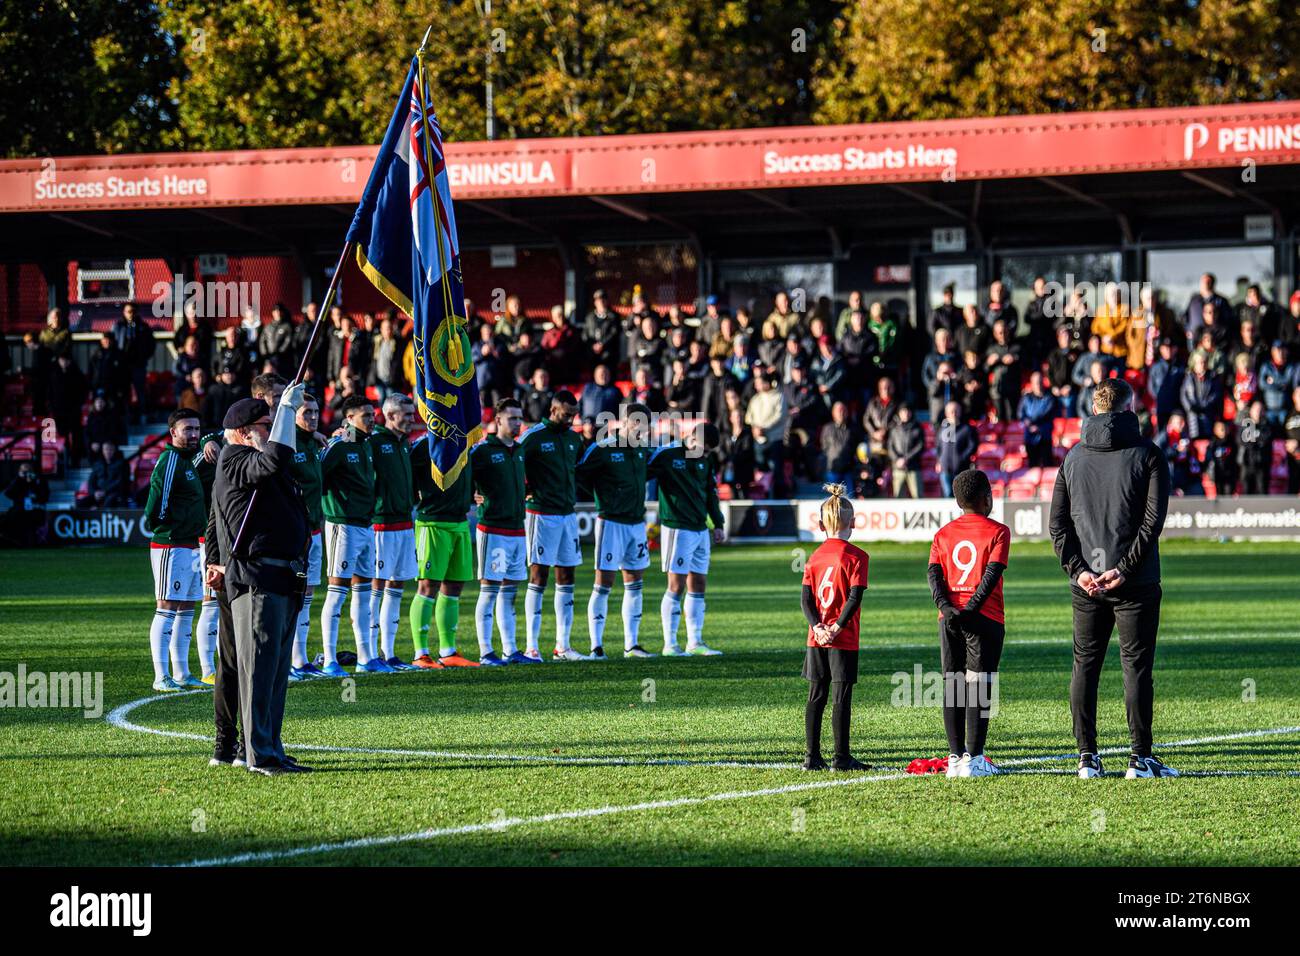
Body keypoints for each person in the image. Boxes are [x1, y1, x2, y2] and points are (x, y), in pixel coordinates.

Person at [1049, 378, 1177, 779]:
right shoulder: (1149, 454)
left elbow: (1056, 526)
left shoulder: (1072, 457)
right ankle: (1140, 759)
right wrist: (1123, 569)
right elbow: (1152, 523)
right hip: (1134, 583)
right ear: (1127, 407)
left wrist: (1081, 571)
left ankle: (1087, 757)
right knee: (1135, 668)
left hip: (1087, 584)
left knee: (1084, 667)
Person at [207, 388, 312, 775]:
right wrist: (285, 409)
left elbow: (279, 463)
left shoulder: (252, 458)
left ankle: (270, 747)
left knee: (275, 673)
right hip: (257, 578)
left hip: (282, 575)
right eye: (264, 426)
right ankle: (259, 754)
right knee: (258, 671)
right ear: (242, 432)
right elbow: (274, 459)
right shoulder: (235, 460)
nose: (270, 431)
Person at [927, 469, 1009, 778]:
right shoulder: (998, 531)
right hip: (984, 617)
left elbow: (934, 575)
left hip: (948, 618)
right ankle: (974, 759)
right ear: (987, 498)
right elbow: (992, 574)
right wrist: (972, 608)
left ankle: (954, 759)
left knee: (953, 683)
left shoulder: (943, 534)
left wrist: (947, 607)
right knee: (979, 685)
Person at [799, 483, 870, 773]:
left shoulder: (814, 557)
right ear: (852, 523)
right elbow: (855, 597)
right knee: (841, 697)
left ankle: (811, 757)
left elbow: (805, 600)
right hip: (844, 637)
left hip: (816, 638)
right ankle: (841, 757)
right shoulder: (858, 556)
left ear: (820, 524)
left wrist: (818, 627)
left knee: (816, 695)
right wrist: (838, 627)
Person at [577, 403, 654, 659]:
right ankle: (596, 647)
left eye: (646, 424)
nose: (642, 429)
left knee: (635, 581)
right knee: (604, 582)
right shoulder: (603, 448)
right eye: (638, 423)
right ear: (625, 422)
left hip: (636, 523)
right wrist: (605, 497)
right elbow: (580, 475)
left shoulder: (642, 450)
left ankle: (631, 645)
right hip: (611, 522)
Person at [142, 408, 207, 692]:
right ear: (173, 433)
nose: (193, 434)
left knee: (186, 608)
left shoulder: (187, 461)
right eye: (187, 429)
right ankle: (161, 676)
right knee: (166, 606)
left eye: (196, 428)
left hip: (191, 543)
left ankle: (182, 673)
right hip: (171, 543)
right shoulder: (170, 460)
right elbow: (156, 503)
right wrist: (169, 526)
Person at [318, 395, 384, 676]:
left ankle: (366, 657)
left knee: (363, 592)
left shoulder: (366, 445)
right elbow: (315, 477)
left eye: (372, 414)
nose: (372, 419)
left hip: (366, 526)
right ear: (349, 419)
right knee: (337, 591)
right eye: (365, 416)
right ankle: (330, 659)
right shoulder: (338, 447)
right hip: (342, 526)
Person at [519, 391, 586, 661]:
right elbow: (513, 463)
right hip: (541, 514)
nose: (570, 420)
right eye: (566, 414)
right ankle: (531, 646)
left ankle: (563, 645)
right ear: (553, 409)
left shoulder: (573, 438)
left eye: (574, 415)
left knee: (567, 577)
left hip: (567, 515)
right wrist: (523, 490)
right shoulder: (533, 436)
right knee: (538, 576)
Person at [648, 421, 726, 657]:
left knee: (699, 584)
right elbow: (639, 474)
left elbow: (711, 493)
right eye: (703, 448)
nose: (705, 453)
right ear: (691, 436)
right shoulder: (667, 454)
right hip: (676, 528)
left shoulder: (706, 459)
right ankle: (670, 644)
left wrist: (718, 523)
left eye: (709, 451)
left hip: (700, 528)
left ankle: (695, 641)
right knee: (676, 585)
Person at [409, 429, 479, 669]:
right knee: (428, 585)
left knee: (454, 585)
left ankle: (448, 651)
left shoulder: (467, 440)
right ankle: (421, 654)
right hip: (432, 523)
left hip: (460, 520)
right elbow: (405, 475)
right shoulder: (422, 445)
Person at [469, 398, 529, 666]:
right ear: (498, 421)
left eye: (519, 418)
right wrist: (472, 495)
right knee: (490, 589)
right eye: (512, 418)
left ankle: (511, 649)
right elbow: (463, 477)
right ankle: (485, 651)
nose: (517, 423)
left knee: (510, 591)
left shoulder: (519, 450)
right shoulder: (482, 450)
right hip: (493, 528)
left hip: (517, 528)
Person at [368, 394, 419, 671]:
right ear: (389, 416)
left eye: (412, 414)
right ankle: (371, 652)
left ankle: (389, 653)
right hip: (380, 525)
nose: (412, 419)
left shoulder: (404, 445)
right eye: (407, 415)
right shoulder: (374, 442)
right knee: (376, 586)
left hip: (404, 524)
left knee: (397, 585)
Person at [287, 392, 328, 680]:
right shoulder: (287, 444)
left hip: (315, 530)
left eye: (315, 412)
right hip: (294, 533)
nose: (312, 417)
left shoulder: (314, 444)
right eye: (306, 412)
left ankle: (300, 660)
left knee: (308, 594)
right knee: (291, 596)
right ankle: (288, 659)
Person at [936, 401, 976, 497]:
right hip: (945, 469)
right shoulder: (942, 430)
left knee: (960, 496)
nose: (953, 414)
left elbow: (972, 446)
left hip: (961, 469)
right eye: (951, 411)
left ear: (960, 412)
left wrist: (962, 458)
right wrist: (939, 461)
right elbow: (938, 447)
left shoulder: (967, 429)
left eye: (956, 411)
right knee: (948, 494)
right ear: (946, 413)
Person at [1018, 371, 1058, 468]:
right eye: (1036, 382)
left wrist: (1035, 425)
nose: (1038, 385)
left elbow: (1045, 414)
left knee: (1048, 465)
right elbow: (1020, 414)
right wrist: (1028, 423)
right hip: (1030, 438)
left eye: (1040, 382)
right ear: (1031, 383)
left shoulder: (1050, 398)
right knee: (1032, 466)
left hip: (1045, 436)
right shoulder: (1026, 398)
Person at [887, 405, 925, 498]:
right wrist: (897, 460)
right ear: (899, 414)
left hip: (913, 467)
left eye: (908, 411)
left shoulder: (917, 428)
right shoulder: (894, 429)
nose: (906, 414)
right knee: (898, 496)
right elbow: (890, 447)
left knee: (918, 496)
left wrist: (906, 459)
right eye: (903, 411)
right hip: (898, 468)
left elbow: (920, 446)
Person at [1237, 401, 1273, 495]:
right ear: (1251, 411)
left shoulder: (1267, 424)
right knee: (1246, 490)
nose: (1258, 412)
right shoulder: (1245, 424)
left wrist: (1252, 439)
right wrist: (1256, 439)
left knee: (1262, 490)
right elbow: (1242, 440)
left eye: (1260, 410)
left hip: (1262, 462)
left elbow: (1265, 440)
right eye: (1256, 409)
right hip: (1247, 462)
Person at [86, 440, 131, 508]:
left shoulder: (122, 464)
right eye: (106, 449)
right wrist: (94, 493)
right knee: (80, 502)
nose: (108, 452)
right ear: (102, 451)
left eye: (110, 449)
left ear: (114, 450)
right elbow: (91, 481)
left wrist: (105, 492)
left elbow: (121, 481)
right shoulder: (98, 464)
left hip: (114, 493)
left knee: (109, 501)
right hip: (98, 493)